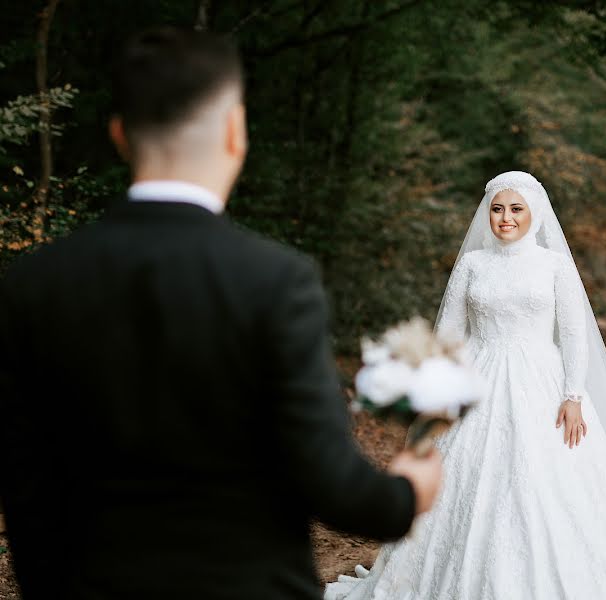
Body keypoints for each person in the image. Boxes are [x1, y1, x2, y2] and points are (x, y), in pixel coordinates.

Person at [0, 27, 441, 600]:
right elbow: (332, 483)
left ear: (118, 135)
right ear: (236, 131)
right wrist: (406, 493)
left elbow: (25, 484)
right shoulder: (275, 281)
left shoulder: (32, 284)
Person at [325, 170, 606, 599]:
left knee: (547, 482)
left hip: (540, 381)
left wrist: (572, 395)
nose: (505, 218)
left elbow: (572, 335)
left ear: (535, 214)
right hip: (479, 378)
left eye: (516, 209)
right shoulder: (472, 264)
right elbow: (451, 332)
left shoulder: (554, 265)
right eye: (497, 209)